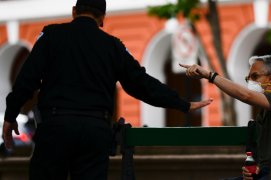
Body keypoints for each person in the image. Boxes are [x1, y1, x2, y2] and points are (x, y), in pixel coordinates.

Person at [1, 0, 213, 179]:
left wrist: (11, 115)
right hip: (95, 132)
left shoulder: (50, 37)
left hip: (55, 128)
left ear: (74, 12)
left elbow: (26, 80)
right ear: (102, 19)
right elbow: (141, 84)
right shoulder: (113, 46)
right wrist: (182, 103)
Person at [180, 55, 271, 180]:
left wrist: (210, 76)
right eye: (247, 78)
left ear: (270, 78)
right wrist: (252, 170)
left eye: (254, 76)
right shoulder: (263, 111)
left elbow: (246, 95)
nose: (250, 82)